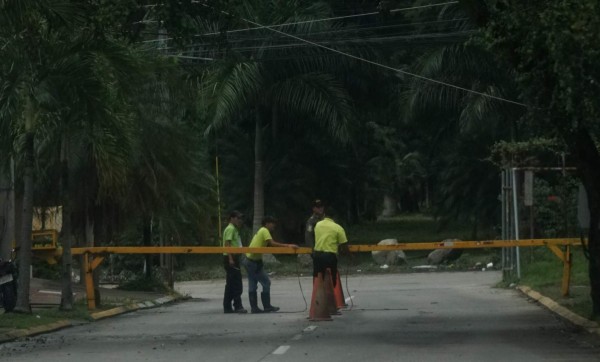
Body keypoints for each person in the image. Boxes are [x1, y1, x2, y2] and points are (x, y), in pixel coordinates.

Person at [244, 216, 298, 313]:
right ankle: (266, 306)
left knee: (253, 284)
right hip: (253, 262)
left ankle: (255, 308)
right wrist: (288, 246)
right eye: (272, 223)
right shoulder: (264, 230)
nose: (274, 225)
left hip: (251, 260)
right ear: (267, 224)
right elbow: (272, 243)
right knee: (266, 282)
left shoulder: (261, 230)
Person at [313, 210, 349, 287]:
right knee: (331, 280)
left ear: (325, 215)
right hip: (329, 257)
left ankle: (318, 296)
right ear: (335, 217)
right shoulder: (338, 228)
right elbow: (344, 245)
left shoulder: (318, 225)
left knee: (318, 278)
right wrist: (348, 255)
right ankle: (330, 295)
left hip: (317, 255)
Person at [222, 210, 247, 314]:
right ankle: (237, 306)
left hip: (234, 257)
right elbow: (227, 244)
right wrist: (231, 259)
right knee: (236, 284)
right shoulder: (230, 229)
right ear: (232, 218)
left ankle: (227, 306)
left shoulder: (234, 229)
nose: (239, 220)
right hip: (231, 258)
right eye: (237, 218)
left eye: (240, 218)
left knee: (231, 284)